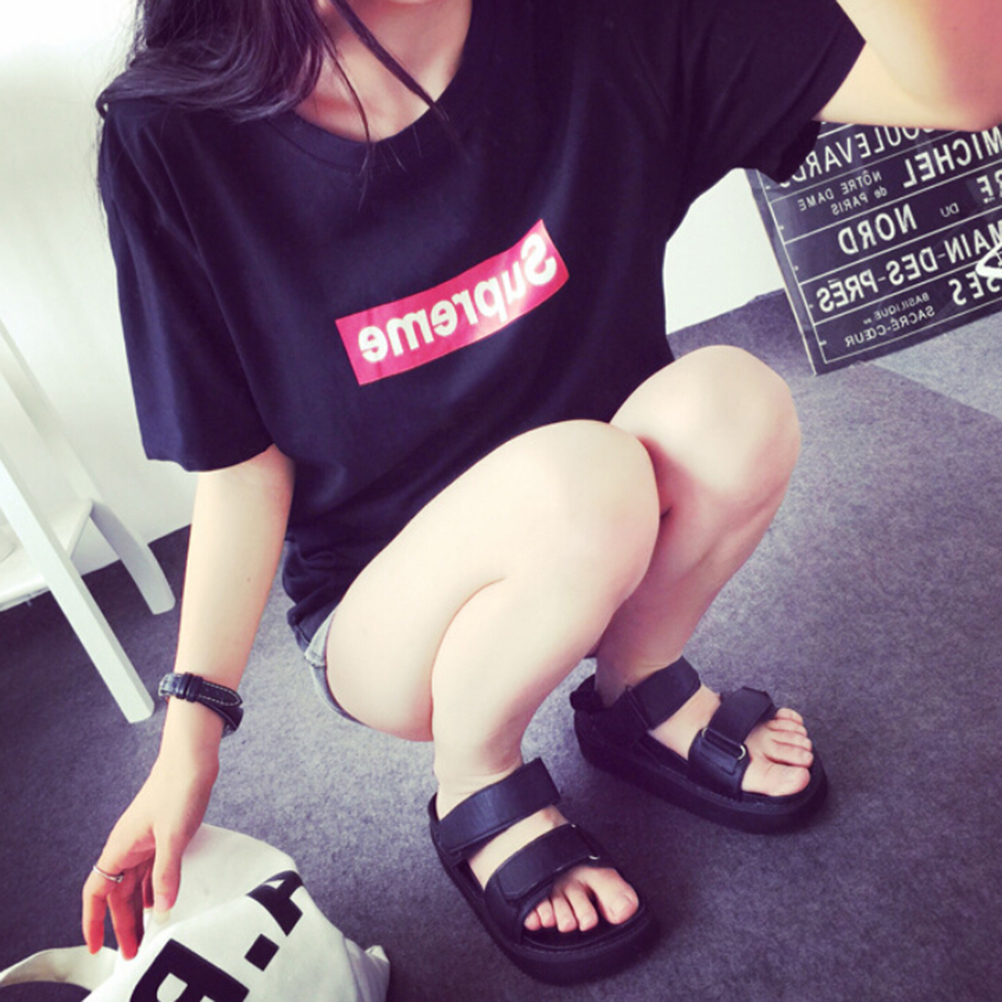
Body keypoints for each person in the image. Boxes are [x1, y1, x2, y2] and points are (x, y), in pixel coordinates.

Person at [80, 0, 1001, 984]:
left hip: (613, 511)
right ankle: (476, 772)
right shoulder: (168, 131)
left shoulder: (604, 21)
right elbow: (239, 470)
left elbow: (966, 90)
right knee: (584, 481)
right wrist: (190, 741)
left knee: (734, 407)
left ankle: (636, 693)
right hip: (395, 620)